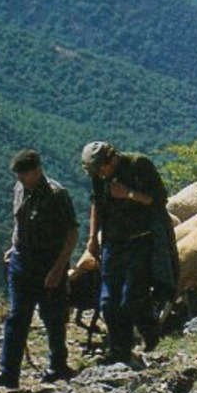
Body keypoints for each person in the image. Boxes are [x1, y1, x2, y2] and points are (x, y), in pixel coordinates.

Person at [0, 150, 79, 388]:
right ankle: (9, 374)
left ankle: (58, 365)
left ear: (36, 171)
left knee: (53, 317)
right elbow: (19, 221)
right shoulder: (19, 189)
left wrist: (58, 269)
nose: (20, 179)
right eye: (17, 175)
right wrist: (12, 246)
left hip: (48, 263)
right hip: (21, 261)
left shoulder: (56, 195)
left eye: (23, 174)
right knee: (17, 317)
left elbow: (71, 233)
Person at [80, 141, 174, 365]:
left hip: (141, 240)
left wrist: (129, 194)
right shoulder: (100, 176)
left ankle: (150, 332)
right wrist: (92, 239)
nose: (100, 175)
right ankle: (119, 350)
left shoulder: (139, 165)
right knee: (107, 301)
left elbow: (159, 199)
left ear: (111, 159)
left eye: (101, 169)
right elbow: (97, 204)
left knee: (130, 297)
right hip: (113, 242)